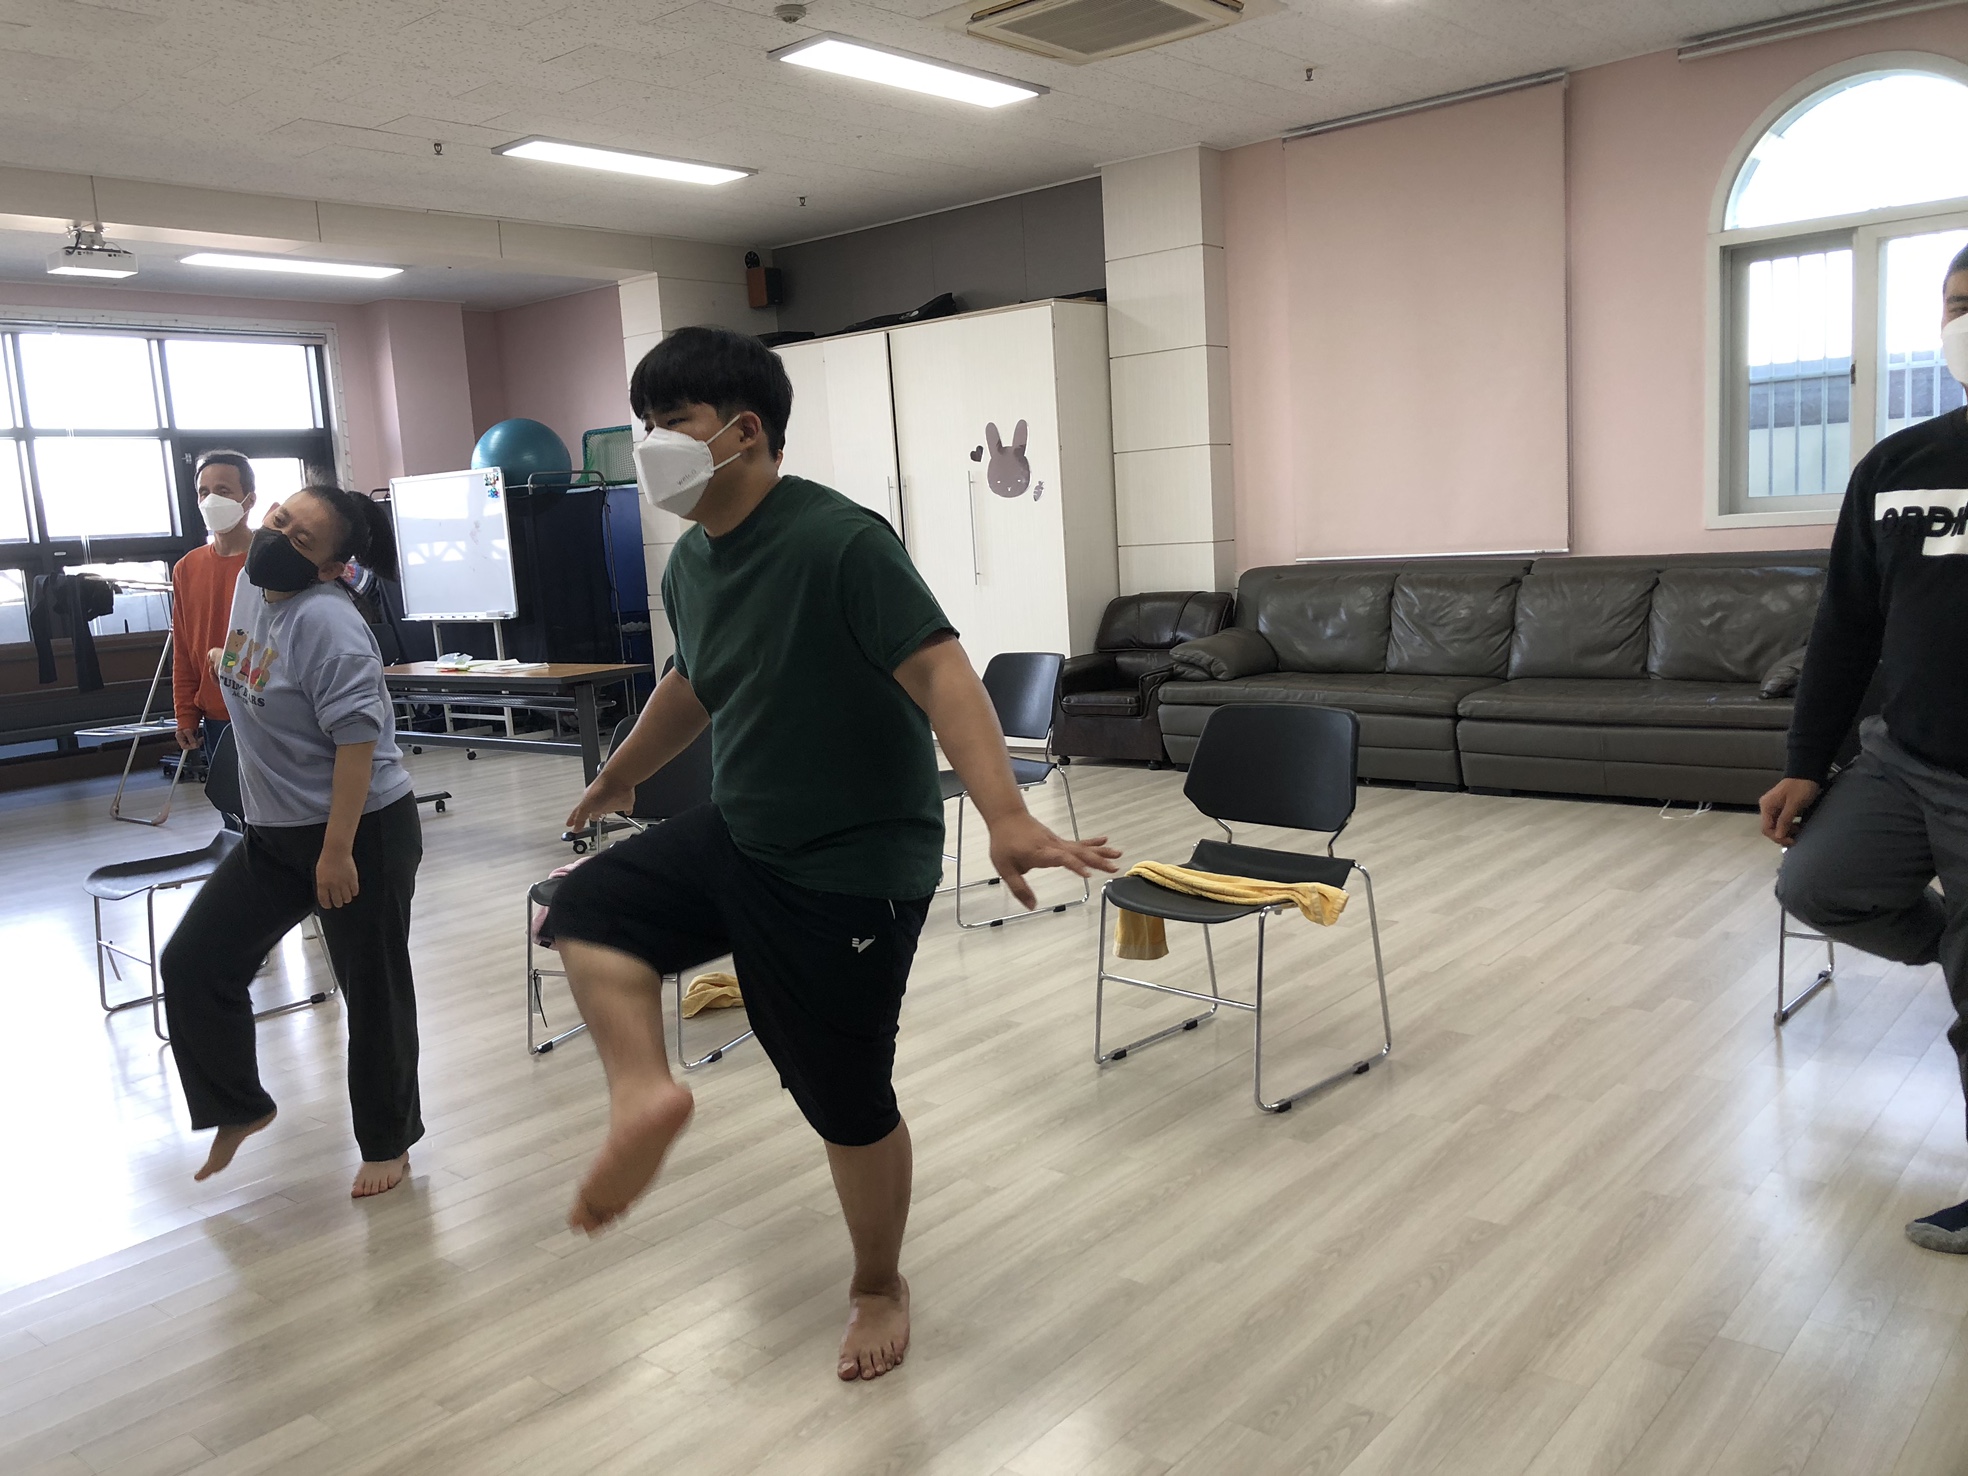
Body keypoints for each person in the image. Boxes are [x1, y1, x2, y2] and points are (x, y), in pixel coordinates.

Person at [544, 327, 1120, 1381]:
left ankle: (878, 1285)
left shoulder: (841, 541)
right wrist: (620, 774)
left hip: (851, 866)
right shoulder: (694, 564)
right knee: (587, 911)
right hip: (744, 828)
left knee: (843, 1100)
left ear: (742, 431)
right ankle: (644, 1094)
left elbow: (943, 673)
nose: (651, 445)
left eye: (670, 423)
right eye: (645, 423)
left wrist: (1002, 812)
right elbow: (694, 683)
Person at [1763, 242, 1968, 1256]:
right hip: (1904, 757)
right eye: (1957, 304)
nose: (1967, 321)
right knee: (1816, 884)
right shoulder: (1897, 466)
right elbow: (1845, 626)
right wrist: (1807, 758)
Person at [159, 484, 426, 1199]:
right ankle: (238, 1105)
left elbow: (358, 745)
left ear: (331, 568)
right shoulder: (252, 586)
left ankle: (389, 1142)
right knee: (193, 963)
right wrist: (220, 663)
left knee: (373, 991)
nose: (278, 536)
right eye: (280, 519)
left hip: (359, 831)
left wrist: (336, 853)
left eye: (302, 539)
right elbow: (255, 672)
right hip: (274, 832)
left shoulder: (330, 625)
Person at [171, 451, 256, 771]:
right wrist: (185, 713)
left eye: (223, 490)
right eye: (204, 492)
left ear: (249, 500)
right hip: (216, 715)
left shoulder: (268, 562)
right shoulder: (187, 568)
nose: (211, 500)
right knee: (229, 800)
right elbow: (184, 647)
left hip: (266, 709)